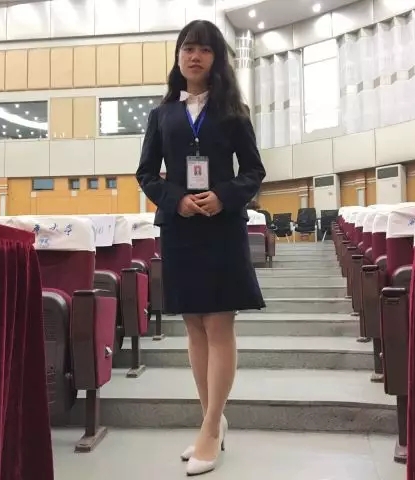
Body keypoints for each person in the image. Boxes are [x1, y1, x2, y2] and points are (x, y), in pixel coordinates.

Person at [136, 19, 266, 476]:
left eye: (205, 50)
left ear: (216, 59)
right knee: (193, 326)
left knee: (219, 324)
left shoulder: (233, 111)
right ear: (178, 56)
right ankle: (213, 419)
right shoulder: (162, 115)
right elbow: (146, 174)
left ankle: (210, 428)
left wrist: (224, 195)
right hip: (181, 228)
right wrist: (177, 200)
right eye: (188, 48)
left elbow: (253, 171)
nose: (195, 56)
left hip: (222, 228)